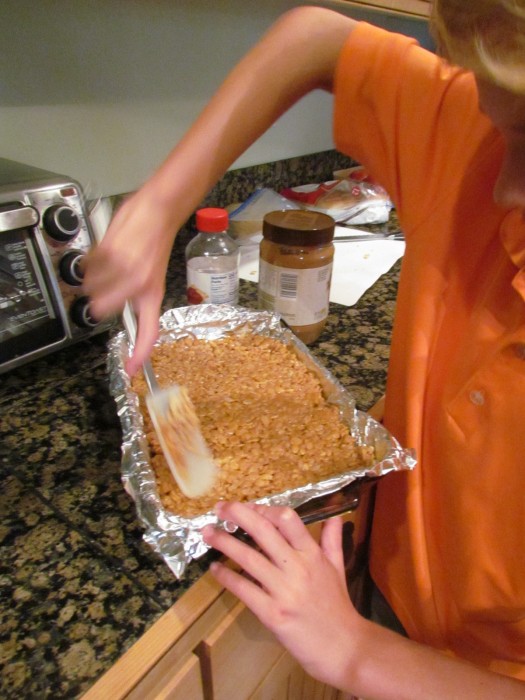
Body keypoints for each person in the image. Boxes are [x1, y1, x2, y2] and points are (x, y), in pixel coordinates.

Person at [83, 1, 525, 696]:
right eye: (504, 130)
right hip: (385, 573)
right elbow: (317, 39)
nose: (503, 185)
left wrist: (354, 655)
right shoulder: (470, 134)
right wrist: (164, 201)